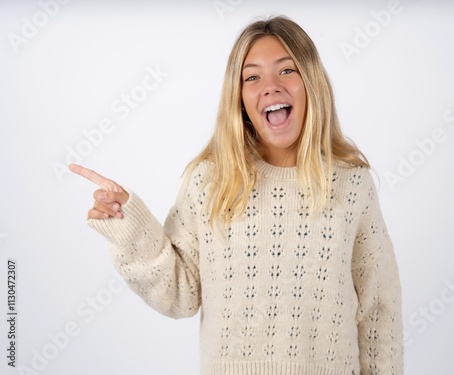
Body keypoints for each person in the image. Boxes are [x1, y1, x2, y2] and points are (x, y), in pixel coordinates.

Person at [70, 15, 404, 375]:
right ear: (240, 97)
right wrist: (128, 225)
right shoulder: (210, 181)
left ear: (311, 82)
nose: (270, 87)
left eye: (287, 71)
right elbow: (180, 295)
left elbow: (378, 310)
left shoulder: (351, 184)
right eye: (252, 77)